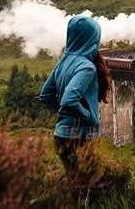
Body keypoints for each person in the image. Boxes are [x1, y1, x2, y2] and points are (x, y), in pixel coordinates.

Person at [39, 16, 111, 173]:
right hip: (81, 137)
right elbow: (69, 100)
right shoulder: (87, 67)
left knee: (74, 182)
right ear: (92, 39)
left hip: (60, 135)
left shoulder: (63, 62)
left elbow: (45, 95)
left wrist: (65, 111)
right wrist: (88, 116)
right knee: (89, 185)